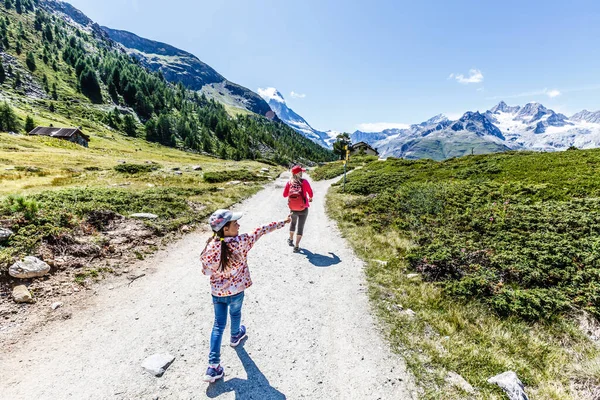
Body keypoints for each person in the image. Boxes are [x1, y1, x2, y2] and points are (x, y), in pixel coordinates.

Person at [200, 209, 291, 383]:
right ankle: (235, 336)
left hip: (218, 293)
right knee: (235, 314)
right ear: (225, 229)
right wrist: (283, 222)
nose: (239, 225)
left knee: (218, 326)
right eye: (235, 223)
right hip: (237, 291)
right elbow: (261, 230)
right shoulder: (242, 241)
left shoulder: (210, 245)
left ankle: (213, 367)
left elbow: (205, 270)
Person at [283, 165, 314, 253]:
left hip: (293, 208)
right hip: (303, 208)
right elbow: (310, 193)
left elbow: (284, 195)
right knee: (300, 227)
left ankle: (290, 239)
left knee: (293, 224)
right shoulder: (304, 182)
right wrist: (310, 198)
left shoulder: (290, 182)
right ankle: (296, 246)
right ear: (299, 173)